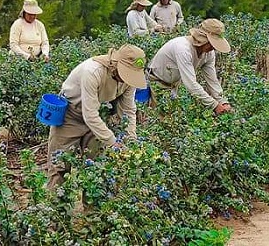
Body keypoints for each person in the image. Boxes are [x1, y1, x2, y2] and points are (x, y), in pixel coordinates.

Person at [47, 44, 147, 189]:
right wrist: (112, 142)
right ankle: (53, 208)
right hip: (70, 115)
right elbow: (90, 115)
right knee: (59, 165)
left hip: (97, 115)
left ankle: (92, 211)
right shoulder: (93, 71)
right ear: (116, 64)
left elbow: (128, 110)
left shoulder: (128, 82)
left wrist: (131, 139)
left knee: (97, 167)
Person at [148, 18, 232, 115]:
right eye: (211, 44)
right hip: (157, 82)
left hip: (174, 85)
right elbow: (191, 84)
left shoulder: (209, 53)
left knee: (175, 117)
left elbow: (212, 80)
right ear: (203, 38)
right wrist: (214, 105)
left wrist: (223, 101)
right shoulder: (183, 48)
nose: (213, 48)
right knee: (162, 117)